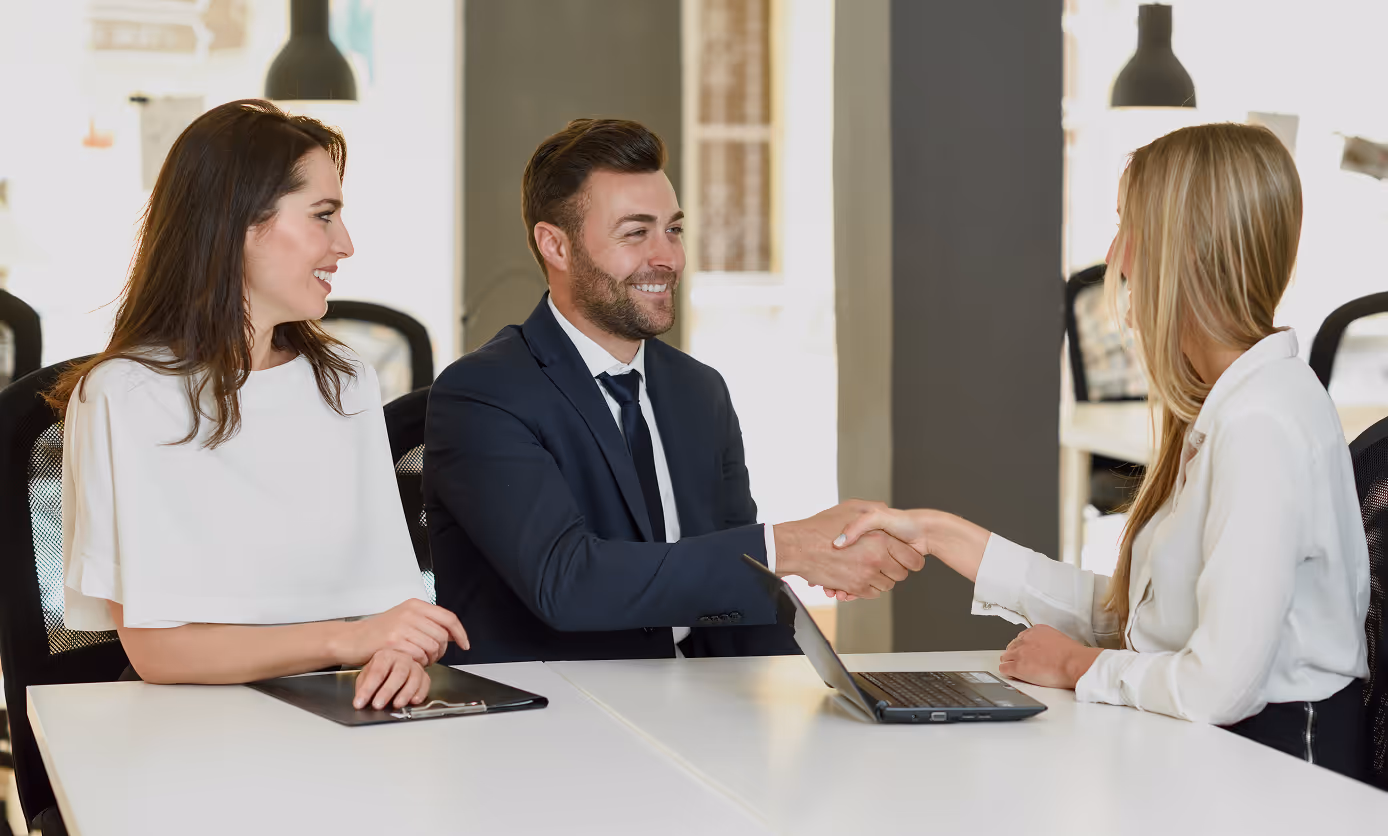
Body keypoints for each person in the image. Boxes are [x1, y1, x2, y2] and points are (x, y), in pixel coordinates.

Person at [835, 123, 1371, 779]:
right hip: (1225, 756)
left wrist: (1074, 665)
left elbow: (1219, 686)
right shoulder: (1231, 405)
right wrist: (938, 533)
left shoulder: (1262, 423)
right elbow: (1140, 623)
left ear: (1189, 248)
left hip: (1282, 773)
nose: (1115, 257)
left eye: (1129, 228)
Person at [424, 118, 922, 664]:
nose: (668, 257)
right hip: (552, 716)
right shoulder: (483, 393)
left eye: (674, 230)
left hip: (696, 702)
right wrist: (790, 548)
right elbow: (567, 582)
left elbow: (744, 589)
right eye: (636, 233)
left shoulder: (698, 391)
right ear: (556, 246)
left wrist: (814, 692)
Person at [51, 100, 469, 713]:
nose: (344, 244)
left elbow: (388, 602)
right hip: (186, 729)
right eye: (323, 216)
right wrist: (348, 641)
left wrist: (396, 655)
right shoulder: (124, 395)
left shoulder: (345, 381)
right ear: (236, 224)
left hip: (338, 714)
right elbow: (160, 653)